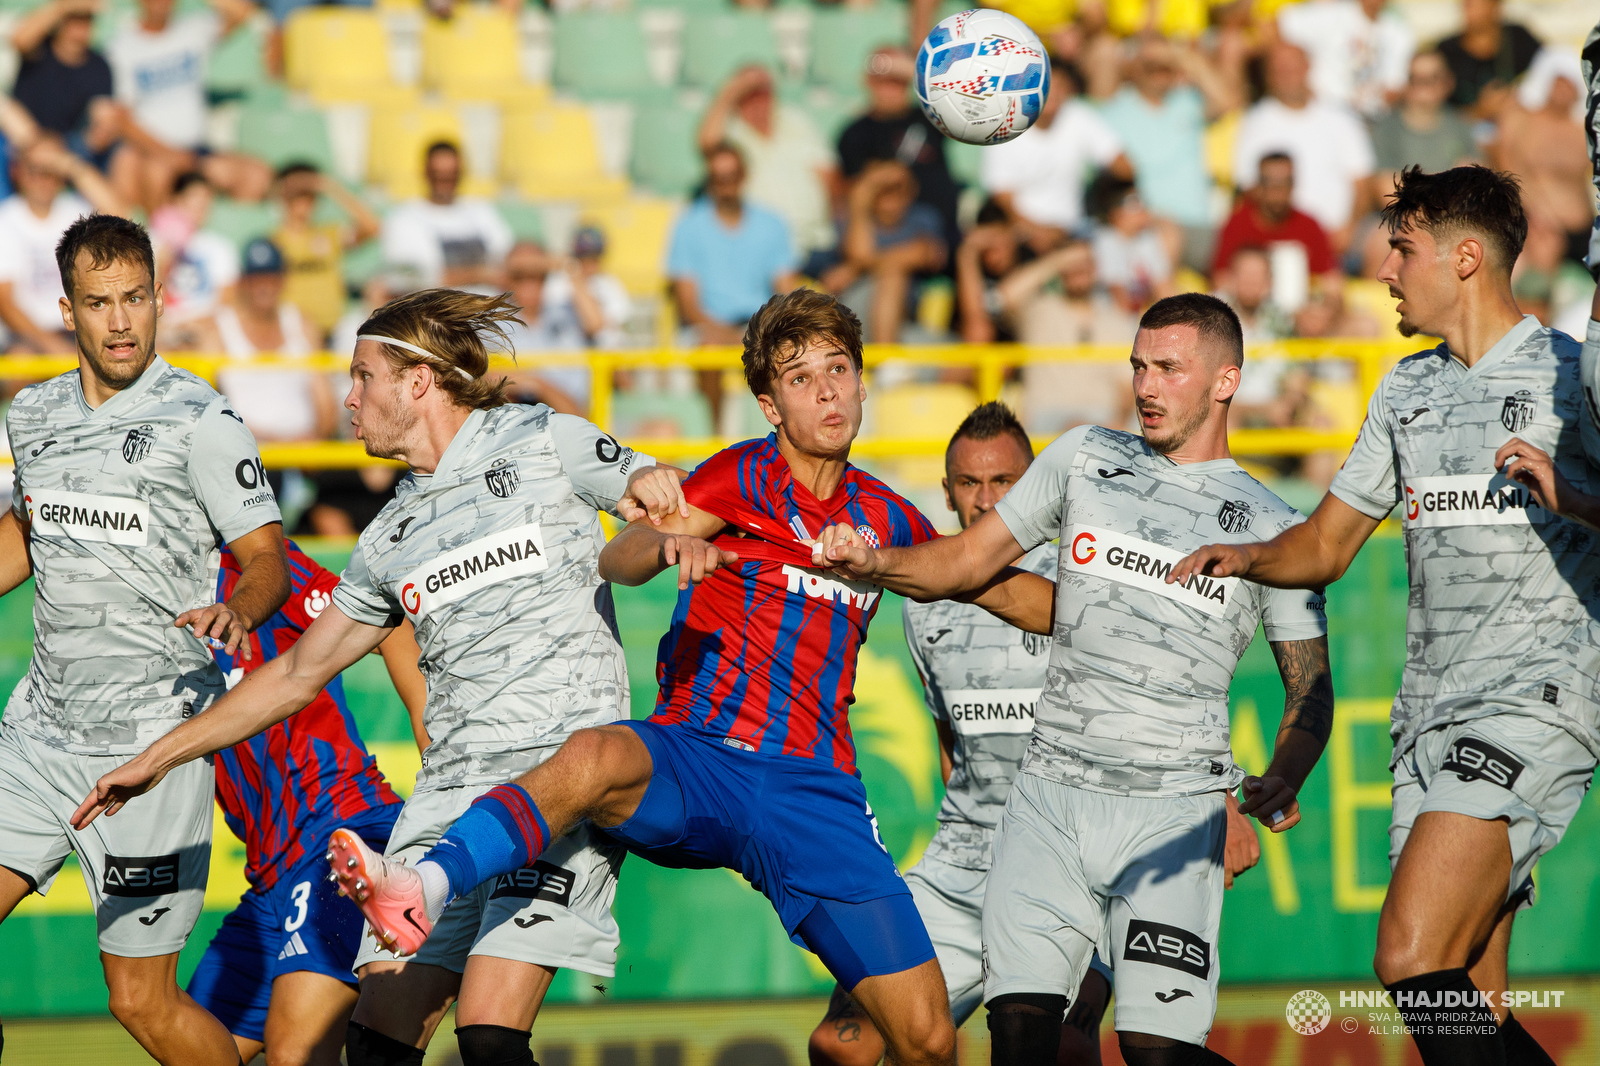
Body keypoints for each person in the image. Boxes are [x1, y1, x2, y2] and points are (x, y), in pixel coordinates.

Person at [328, 291, 1045, 1066]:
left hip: (814, 792)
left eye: (840, 370)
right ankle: (426, 885)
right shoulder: (738, 475)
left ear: (865, 385)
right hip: (700, 759)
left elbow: (1011, 594)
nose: (829, 391)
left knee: (928, 1039)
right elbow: (620, 557)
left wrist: (1124, 610)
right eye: (802, 379)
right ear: (769, 404)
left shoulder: (887, 517)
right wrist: (667, 547)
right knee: (594, 755)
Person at [70, 286, 690, 1066]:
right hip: (446, 800)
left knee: (490, 1039)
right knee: (374, 1047)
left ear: (418, 381)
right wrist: (157, 760)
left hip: (553, 784)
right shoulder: (389, 534)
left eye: (363, 376)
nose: (348, 397)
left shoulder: (544, 440)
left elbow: (658, 505)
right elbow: (298, 671)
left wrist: (658, 515)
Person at [817, 293, 1333, 1066]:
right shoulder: (1083, 457)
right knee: (1021, 1039)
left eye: (1168, 368)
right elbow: (966, 562)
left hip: (1171, 816)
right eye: (1137, 367)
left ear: (1226, 380)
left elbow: (1311, 690)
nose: (1146, 386)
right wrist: (877, 562)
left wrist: (1281, 777)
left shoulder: (1273, 526)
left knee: (1154, 1051)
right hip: (1049, 802)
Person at [1167, 166, 1590, 1066]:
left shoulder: (1570, 376)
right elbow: (1324, 547)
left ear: (1465, 257)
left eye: (1402, 249)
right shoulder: (1404, 390)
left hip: (1535, 701)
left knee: (1406, 957)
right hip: (1428, 715)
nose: (1384, 271)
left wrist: (1578, 496)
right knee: (1466, 1004)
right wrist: (1247, 555)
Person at [0, 213, 290, 1065]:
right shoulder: (33, 414)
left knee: (140, 1002)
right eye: (99, 303)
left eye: (134, 298)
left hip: (150, 749)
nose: (120, 321)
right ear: (66, 310)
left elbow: (265, 555)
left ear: (160, 298)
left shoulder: (202, 418)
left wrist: (242, 607)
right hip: (40, 738)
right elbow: (30, 532)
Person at [187, 540, 417, 1066]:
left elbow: (389, 621)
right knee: (188, 1046)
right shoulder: (134, 606)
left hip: (339, 837)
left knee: (296, 1054)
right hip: (268, 876)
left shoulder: (256, 567)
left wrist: (436, 748)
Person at [105, 0, 271, 210]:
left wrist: (185, 158)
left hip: (196, 150)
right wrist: (169, 154)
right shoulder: (122, 47)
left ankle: (217, 238)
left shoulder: (193, 30)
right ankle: (160, 237)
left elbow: (243, 11)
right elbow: (123, 119)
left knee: (257, 176)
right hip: (152, 153)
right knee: (157, 173)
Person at [1098, 34, 1238, 259]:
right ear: (1134, 68)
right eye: (1151, 66)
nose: (1159, 72)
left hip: (1198, 224)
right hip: (1145, 229)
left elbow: (1228, 102)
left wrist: (1182, 56)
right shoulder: (1114, 111)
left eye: (1166, 66)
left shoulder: (1188, 101)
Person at [192, 237, 339, 449]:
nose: (264, 287)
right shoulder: (220, 331)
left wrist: (313, 440)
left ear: (282, 280)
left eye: (270, 278)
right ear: (243, 282)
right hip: (242, 456)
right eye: (256, 279)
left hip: (302, 457)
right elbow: (204, 406)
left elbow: (326, 403)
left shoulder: (302, 326)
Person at [1231, 41, 1376, 252]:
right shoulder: (1254, 123)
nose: (1286, 74)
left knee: (1383, 242)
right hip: (1282, 237)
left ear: (1308, 67)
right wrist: (1298, 232)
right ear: (1268, 75)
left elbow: (1362, 184)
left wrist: (1349, 227)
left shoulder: (1341, 118)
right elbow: (1250, 188)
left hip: (1342, 235)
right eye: (1278, 68)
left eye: (1292, 66)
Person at [981, 58, 1132, 253]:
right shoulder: (1005, 126)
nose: (1053, 93)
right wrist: (1038, 231)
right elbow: (1003, 199)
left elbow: (1123, 165)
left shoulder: (1078, 115)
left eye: (1059, 86)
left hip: (1073, 229)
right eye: (1045, 86)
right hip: (1021, 233)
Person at [0, 133, 128, 353]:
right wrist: (50, 345)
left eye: (52, 170)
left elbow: (125, 222)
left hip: (79, 330)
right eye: (36, 169)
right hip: (26, 337)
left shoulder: (76, 213)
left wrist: (73, 166)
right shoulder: (7, 220)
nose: (44, 178)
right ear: (18, 171)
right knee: (21, 365)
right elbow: (6, 303)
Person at [699, 64, 837, 265]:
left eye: (764, 92)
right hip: (761, 250)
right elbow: (707, 143)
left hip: (816, 242)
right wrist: (733, 89)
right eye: (749, 93)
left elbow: (829, 177)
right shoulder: (732, 131)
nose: (758, 100)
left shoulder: (795, 121)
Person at [666, 142, 799, 347]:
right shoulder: (688, 226)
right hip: (708, 328)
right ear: (709, 180)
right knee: (709, 349)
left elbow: (786, 293)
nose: (726, 185)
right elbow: (689, 307)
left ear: (744, 176)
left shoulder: (773, 225)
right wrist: (730, 336)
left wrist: (764, 331)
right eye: (719, 178)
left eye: (732, 176)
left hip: (760, 327)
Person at [837, 47, 962, 256]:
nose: (891, 89)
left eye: (898, 82)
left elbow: (964, 106)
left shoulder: (927, 116)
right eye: (883, 81)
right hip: (895, 233)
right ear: (869, 83)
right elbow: (857, 191)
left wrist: (915, 72)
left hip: (945, 230)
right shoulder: (856, 132)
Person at [822, 160, 947, 343]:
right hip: (854, 316)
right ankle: (887, 362)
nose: (891, 193)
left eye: (898, 186)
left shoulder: (922, 218)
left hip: (904, 321)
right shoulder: (849, 220)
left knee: (965, 363)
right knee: (892, 274)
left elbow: (927, 254)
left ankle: (888, 363)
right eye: (880, 186)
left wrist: (853, 270)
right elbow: (858, 254)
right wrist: (859, 203)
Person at [1211, 154, 1343, 308]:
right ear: (1258, 185)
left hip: (1301, 315)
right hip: (1250, 315)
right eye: (1270, 182)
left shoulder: (1310, 225)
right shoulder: (1237, 223)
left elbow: (1331, 282)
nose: (1278, 189)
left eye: (1286, 182)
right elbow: (1220, 280)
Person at [381, 142, 514, 290]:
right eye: (439, 175)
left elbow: (508, 259)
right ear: (425, 173)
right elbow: (410, 279)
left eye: (452, 175)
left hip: (491, 306)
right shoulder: (404, 218)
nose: (445, 182)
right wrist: (478, 274)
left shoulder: (481, 210)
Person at [275, 161, 382, 340]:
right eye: (298, 195)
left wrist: (328, 186)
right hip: (295, 333)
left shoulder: (329, 235)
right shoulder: (275, 241)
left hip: (334, 330)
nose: (305, 201)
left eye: (310, 195)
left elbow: (372, 226)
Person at [8, 0, 117, 168]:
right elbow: (18, 40)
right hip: (20, 142)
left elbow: (101, 125)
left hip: (67, 148)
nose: (81, 25)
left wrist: (58, 148)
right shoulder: (40, 48)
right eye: (75, 18)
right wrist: (64, 6)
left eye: (87, 18)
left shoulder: (99, 65)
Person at [1276, 0, 1415, 117]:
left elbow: (1395, 86)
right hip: (1325, 114)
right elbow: (1282, 23)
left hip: (1372, 120)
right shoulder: (1333, 15)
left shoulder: (1399, 33)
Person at [1370, 51, 1479, 183]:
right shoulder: (1386, 131)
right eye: (1415, 78)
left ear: (1449, 82)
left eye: (1433, 78)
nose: (1424, 86)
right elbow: (1388, 190)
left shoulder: (1461, 124)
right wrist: (1451, 181)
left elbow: (1478, 180)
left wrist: (1418, 184)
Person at [151, 171, 240, 331]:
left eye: (206, 200)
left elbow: (227, 302)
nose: (201, 206)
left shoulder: (221, 247)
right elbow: (148, 296)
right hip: (163, 330)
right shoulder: (152, 242)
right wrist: (162, 258)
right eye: (194, 199)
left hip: (206, 332)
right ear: (175, 200)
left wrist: (195, 327)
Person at [1087, 175, 1175, 314]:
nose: (1142, 208)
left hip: (1137, 316)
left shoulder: (1146, 239)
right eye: (1134, 203)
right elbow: (1118, 296)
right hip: (1111, 319)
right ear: (1114, 211)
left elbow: (1164, 288)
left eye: (1142, 201)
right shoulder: (1104, 240)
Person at [1436, 0, 1541, 115]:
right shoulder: (1446, 51)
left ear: (1495, 6)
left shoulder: (1519, 39)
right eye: (1467, 3)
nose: (1469, 8)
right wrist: (1479, 111)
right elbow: (1435, 111)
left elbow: (1547, 73)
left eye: (1478, 4)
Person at [544, 225, 631, 351]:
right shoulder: (558, 283)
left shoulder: (610, 285)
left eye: (594, 257)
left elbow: (596, 327)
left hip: (601, 359)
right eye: (583, 257)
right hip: (564, 357)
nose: (589, 264)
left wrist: (576, 280)